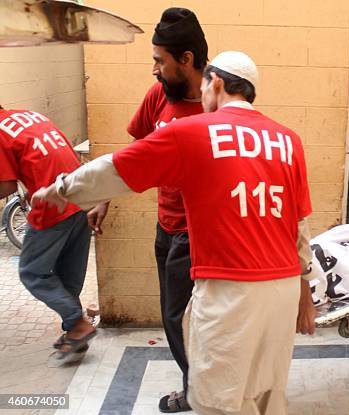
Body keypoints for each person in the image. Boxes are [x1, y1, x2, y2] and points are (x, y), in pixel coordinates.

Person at [32, 51, 317, 415]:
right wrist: (304, 290)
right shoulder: (288, 140)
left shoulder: (192, 132)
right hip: (281, 291)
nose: (202, 99)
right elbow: (299, 225)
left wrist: (59, 190)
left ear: (215, 82)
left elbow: (117, 169)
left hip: (229, 291)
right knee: (267, 395)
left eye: (204, 88)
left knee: (218, 400)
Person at [88, 8, 208, 411]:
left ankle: (199, 389)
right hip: (167, 225)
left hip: (204, 233)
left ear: (186, 59)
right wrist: (104, 193)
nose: (154, 70)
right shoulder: (161, 94)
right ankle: (199, 384)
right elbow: (136, 151)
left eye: (160, 61)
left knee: (189, 317)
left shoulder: (217, 103)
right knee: (174, 317)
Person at [0, 105, 95, 360]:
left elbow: (6, 185)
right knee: (68, 275)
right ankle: (76, 334)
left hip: (54, 207)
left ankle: (78, 324)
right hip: (82, 197)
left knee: (33, 272)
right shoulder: (29, 115)